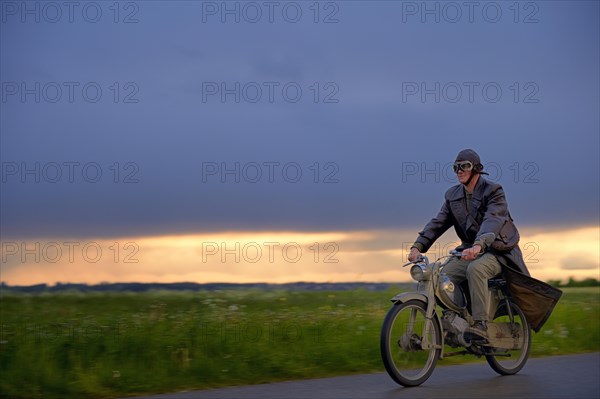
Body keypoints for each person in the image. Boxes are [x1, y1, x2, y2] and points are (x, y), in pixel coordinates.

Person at [408, 149, 530, 339]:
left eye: (464, 166)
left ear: (477, 169)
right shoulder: (452, 195)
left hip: (498, 251)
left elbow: (493, 220)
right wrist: (418, 246)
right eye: (456, 167)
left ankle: (480, 324)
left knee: (476, 269)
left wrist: (478, 245)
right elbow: (438, 223)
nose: (459, 171)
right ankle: (456, 319)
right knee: (440, 277)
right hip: (470, 249)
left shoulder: (494, 191)